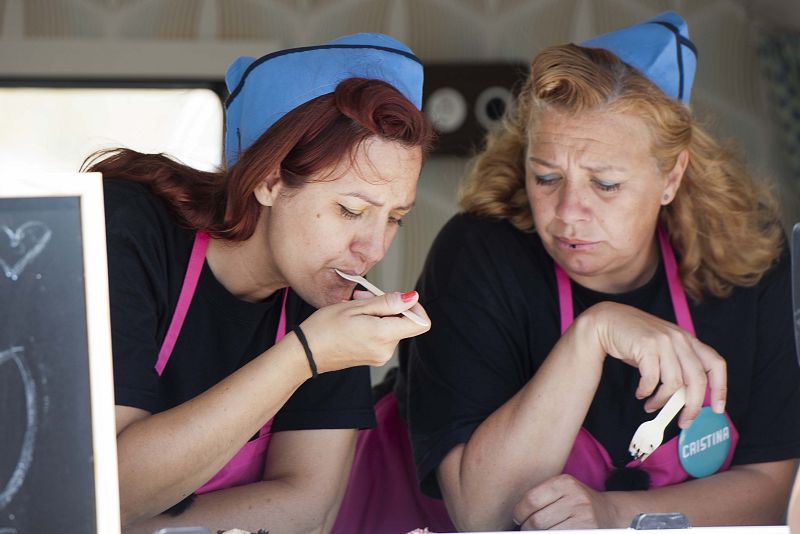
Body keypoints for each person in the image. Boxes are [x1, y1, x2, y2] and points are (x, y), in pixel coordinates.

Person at [398, 11, 800, 531]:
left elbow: (774, 492)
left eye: (605, 185)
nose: (567, 212)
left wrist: (613, 515)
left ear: (671, 176)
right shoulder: (478, 256)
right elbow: (483, 515)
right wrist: (593, 333)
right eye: (546, 178)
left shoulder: (752, 258)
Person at [84, 33, 434, 534]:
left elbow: (308, 508)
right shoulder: (127, 228)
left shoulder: (332, 304)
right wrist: (304, 356)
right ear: (267, 181)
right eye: (350, 210)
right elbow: (110, 490)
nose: (374, 249)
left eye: (394, 216)